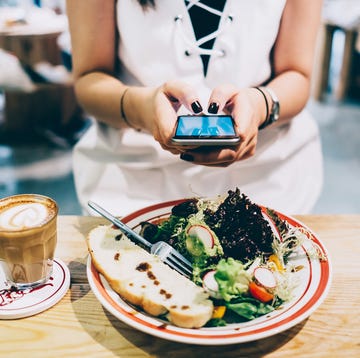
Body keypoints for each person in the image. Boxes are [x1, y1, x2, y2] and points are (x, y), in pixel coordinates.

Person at [66, 0, 323, 216]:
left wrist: (260, 105)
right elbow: (90, 77)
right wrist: (143, 108)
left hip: (269, 181)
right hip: (132, 183)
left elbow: (296, 73)